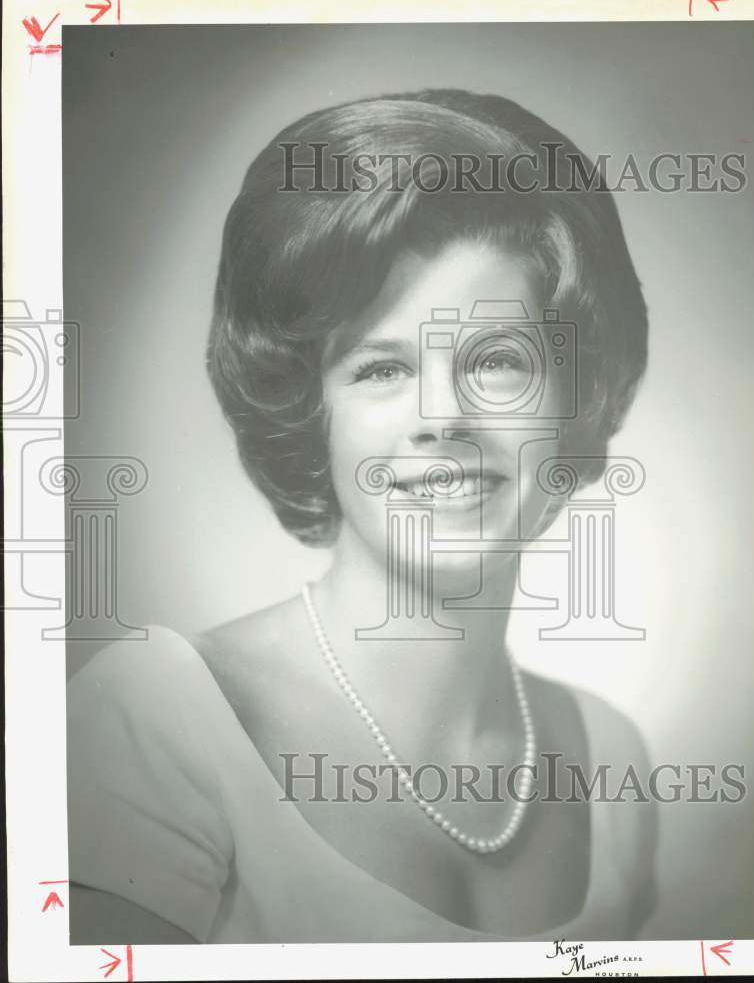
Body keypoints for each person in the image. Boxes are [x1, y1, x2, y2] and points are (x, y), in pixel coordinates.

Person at [68, 89, 657, 943]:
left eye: (496, 360)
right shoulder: (155, 726)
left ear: (573, 401)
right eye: (379, 370)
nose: (442, 417)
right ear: (311, 415)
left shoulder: (614, 768)